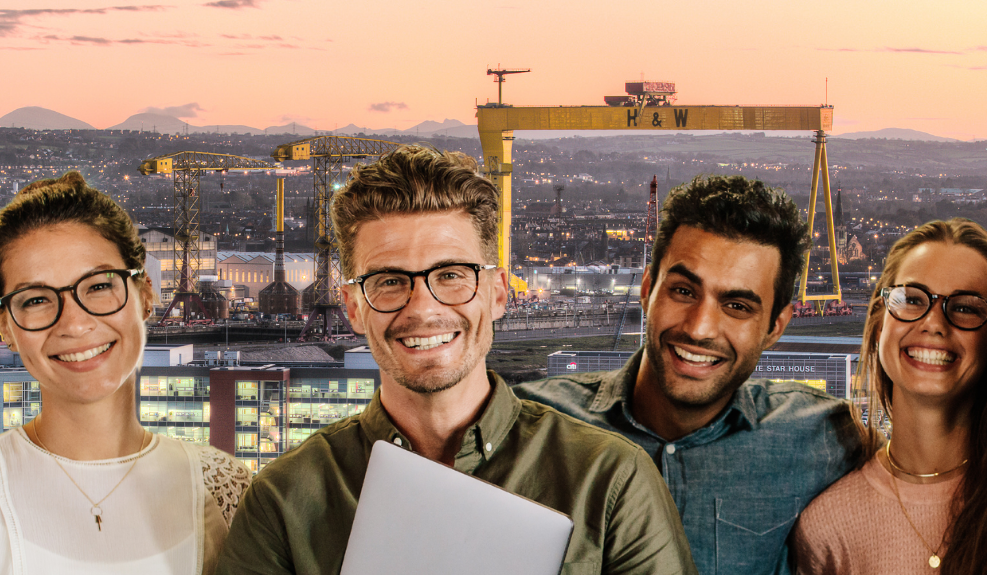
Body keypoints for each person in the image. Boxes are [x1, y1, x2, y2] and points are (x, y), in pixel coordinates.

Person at [217, 145, 696, 575]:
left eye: (450, 274)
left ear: (499, 293)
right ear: (352, 308)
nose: (423, 308)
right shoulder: (283, 499)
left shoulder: (610, 481)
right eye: (388, 280)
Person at [0, 172, 251, 575]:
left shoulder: (226, 488)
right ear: (5, 326)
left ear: (145, 295)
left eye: (99, 287)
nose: (73, 323)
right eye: (36, 299)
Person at [513, 175, 870, 575]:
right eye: (683, 291)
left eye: (736, 305)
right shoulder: (533, 426)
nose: (700, 327)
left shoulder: (825, 438)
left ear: (775, 327)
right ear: (647, 290)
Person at [792, 218, 987, 574]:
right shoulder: (828, 527)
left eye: (965, 306)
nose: (935, 323)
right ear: (877, 324)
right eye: (912, 299)